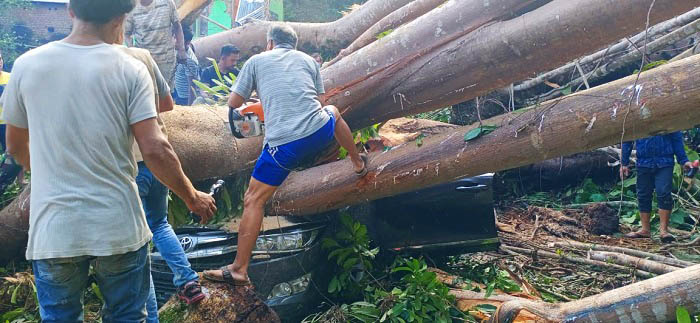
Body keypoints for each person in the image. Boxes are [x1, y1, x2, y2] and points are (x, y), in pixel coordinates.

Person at [1, 0, 216, 321]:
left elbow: (15, 146)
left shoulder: (27, 65)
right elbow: (155, 148)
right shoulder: (132, 67)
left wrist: (51, 173)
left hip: (55, 229)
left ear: (71, 12)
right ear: (122, 18)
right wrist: (192, 196)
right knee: (128, 315)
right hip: (118, 227)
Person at [203, 24, 367, 285]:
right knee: (334, 112)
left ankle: (239, 269)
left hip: (284, 145)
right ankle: (358, 162)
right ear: (295, 45)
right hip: (319, 132)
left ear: (270, 43)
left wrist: (258, 100)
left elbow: (233, 103)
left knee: (253, 200)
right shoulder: (308, 61)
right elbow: (320, 102)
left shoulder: (256, 61)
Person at [113, 33, 205, 322]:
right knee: (161, 224)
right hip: (158, 164)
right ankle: (188, 280)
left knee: (138, 248)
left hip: (129, 166)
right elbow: (168, 104)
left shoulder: (95, 62)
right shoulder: (142, 56)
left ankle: (150, 318)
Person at [621, 132, 692, 242]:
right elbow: (627, 140)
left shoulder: (668, 118)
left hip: (665, 162)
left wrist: (684, 160)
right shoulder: (636, 118)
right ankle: (645, 230)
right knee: (643, 194)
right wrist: (624, 163)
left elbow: (676, 138)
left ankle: (663, 231)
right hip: (643, 162)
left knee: (663, 192)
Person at [124, 0, 187, 87]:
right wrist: (134, 53)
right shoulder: (132, 8)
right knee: (148, 94)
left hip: (166, 61)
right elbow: (126, 33)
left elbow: (177, 26)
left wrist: (181, 50)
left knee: (165, 95)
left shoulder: (167, 3)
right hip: (144, 63)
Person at [0, 49, 24, 194]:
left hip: (9, 122)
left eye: (1, 58)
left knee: (15, 152)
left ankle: (20, 181)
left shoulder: (10, 78)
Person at [173, 26, 199, 105]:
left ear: (187, 42)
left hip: (185, 99)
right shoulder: (181, 50)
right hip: (177, 93)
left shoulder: (189, 61)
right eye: (174, 37)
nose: (174, 41)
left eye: (177, 40)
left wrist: (189, 107)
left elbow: (192, 87)